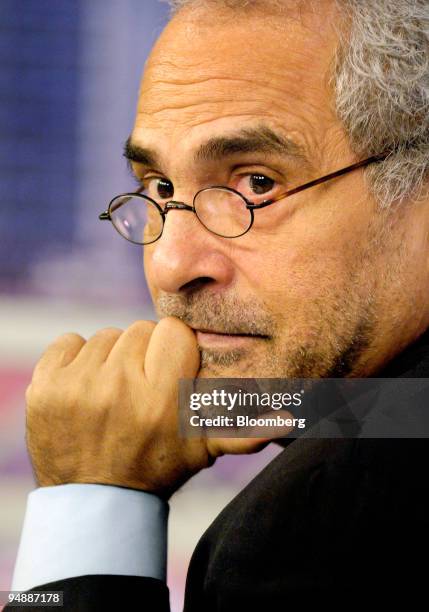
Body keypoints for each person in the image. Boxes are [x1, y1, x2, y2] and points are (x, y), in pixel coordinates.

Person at [7, 0, 429, 609]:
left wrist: (92, 498)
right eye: (158, 188)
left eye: (255, 184)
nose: (173, 266)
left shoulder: (310, 527)